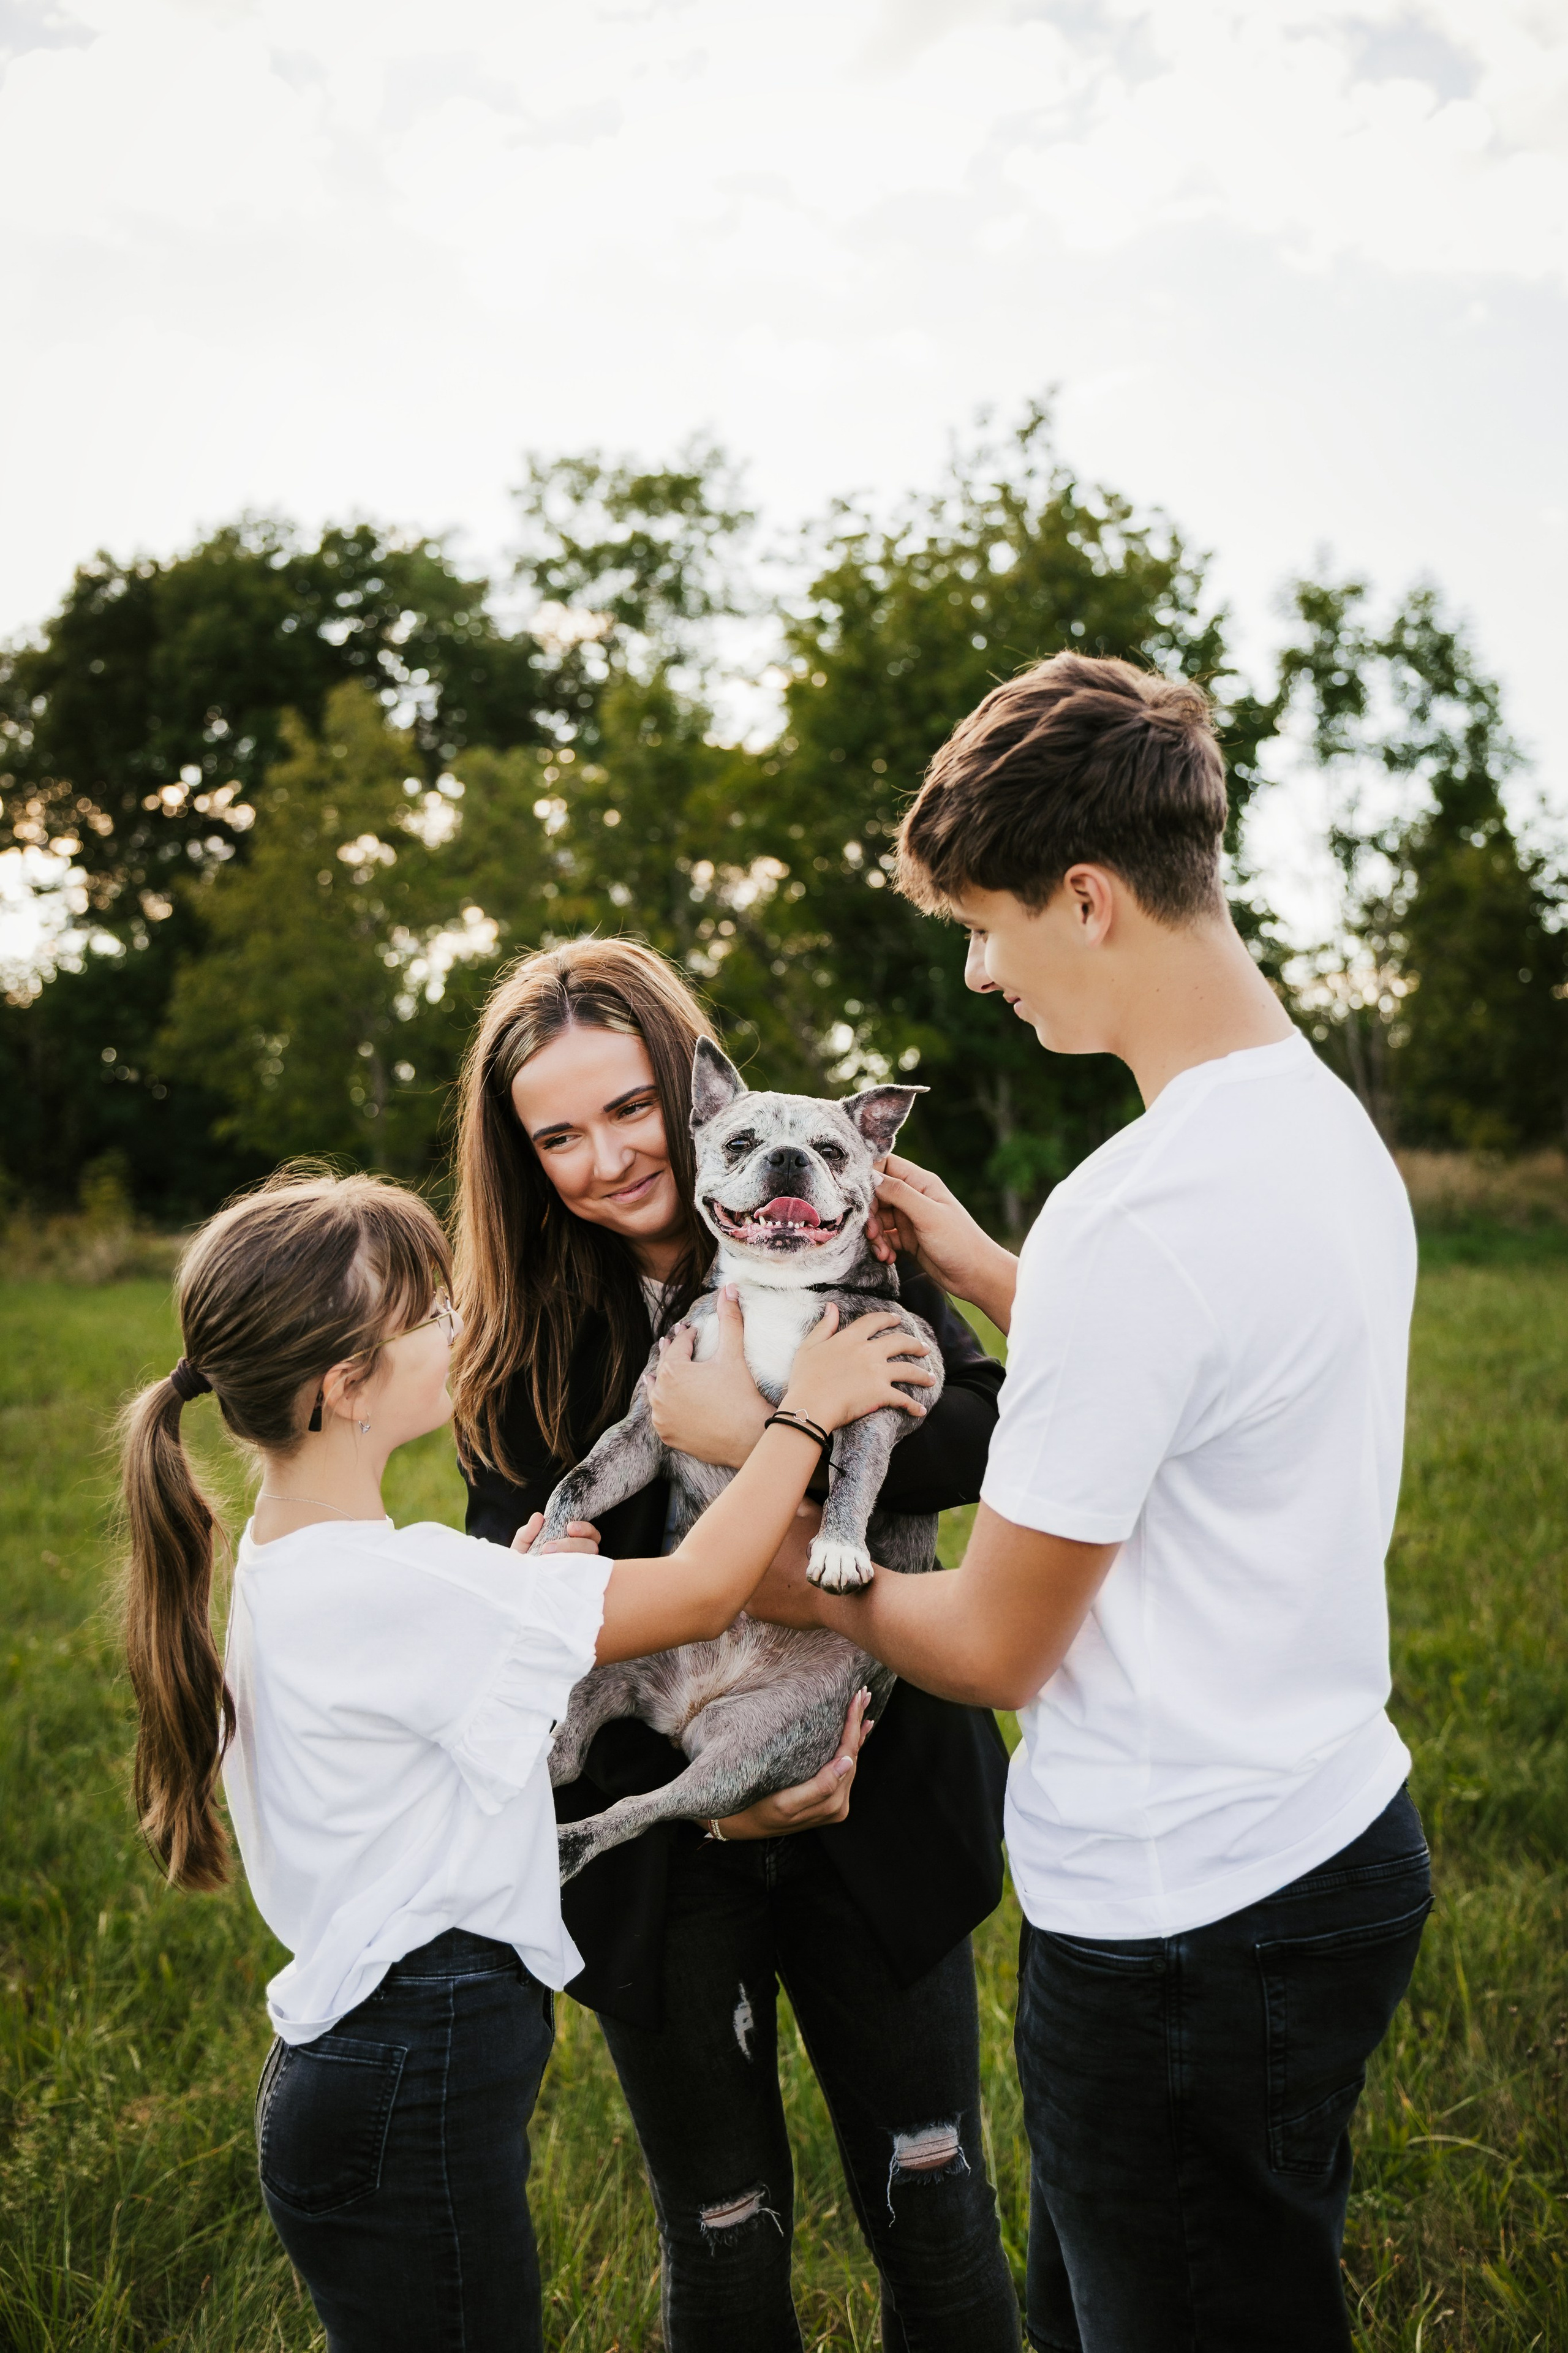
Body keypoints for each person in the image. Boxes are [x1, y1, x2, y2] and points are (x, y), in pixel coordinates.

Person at [751, 652, 1433, 2353]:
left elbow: (987, 1644)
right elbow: (1210, 1386)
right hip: (1329, 1832)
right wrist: (997, 1271)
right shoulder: (1315, 1131)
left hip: (1183, 1920)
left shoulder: (1141, 1217)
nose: (978, 972)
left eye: (985, 924)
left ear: (1087, 896)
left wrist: (764, 1564)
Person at [118, 1165, 924, 2353]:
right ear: (347, 1387)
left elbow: (453, 1662)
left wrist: (523, 1586)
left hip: (357, 2060)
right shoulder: (422, 1585)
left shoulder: (297, 1561)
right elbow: (703, 1589)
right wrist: (803, 1413)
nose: (457, 1328)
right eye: (428, 1317)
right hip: (417, 2053)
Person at [450, 938, 1022, 2353]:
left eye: (631, 1107)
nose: (606, 1156)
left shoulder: (840, 1234)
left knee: (934, 2211)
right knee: (720, 2236)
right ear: (521, 1160)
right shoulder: (517, 1343)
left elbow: (983, 1429)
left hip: (873, 1784)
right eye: (558, 1135)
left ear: (692, 1098)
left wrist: (793, 1413)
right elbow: (522, 1633)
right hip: (654, 1831)